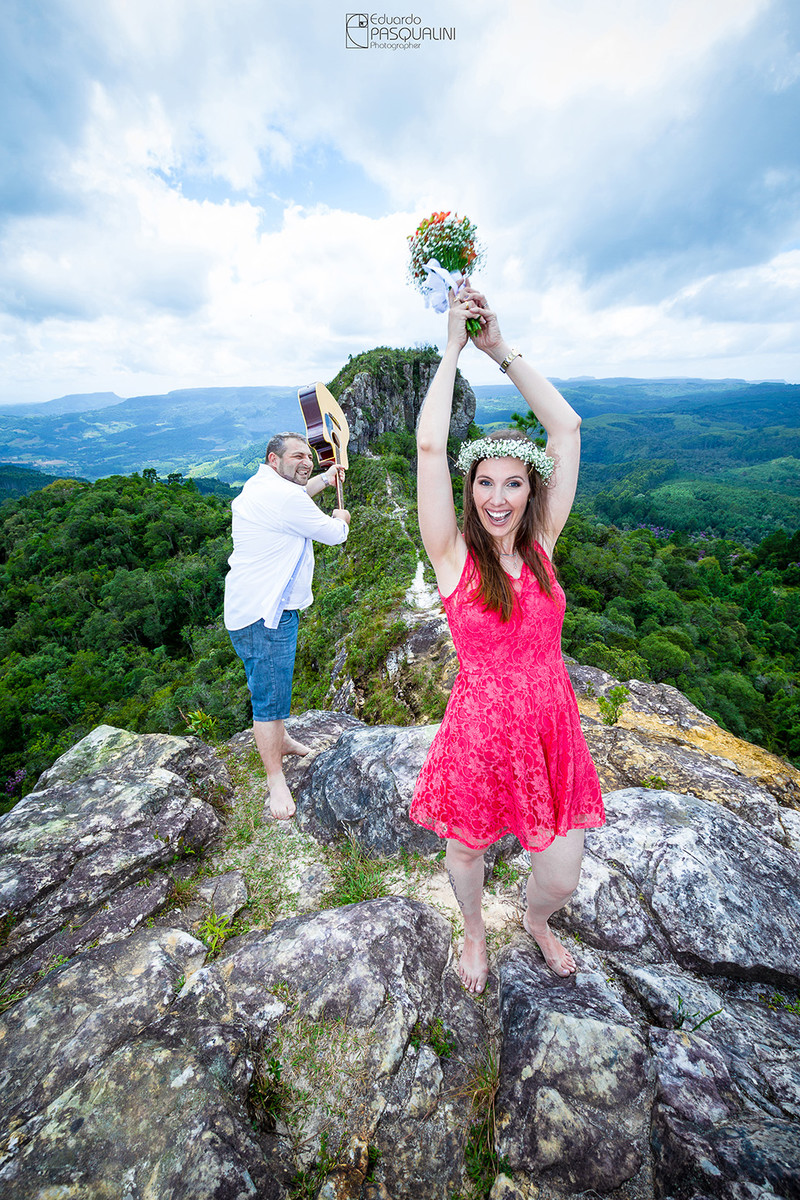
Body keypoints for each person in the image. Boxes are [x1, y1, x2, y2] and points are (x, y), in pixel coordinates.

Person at [409, 284, 605, 992]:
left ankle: (536, 920)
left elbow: (569, 428)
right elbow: (431, 444)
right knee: (466, 851)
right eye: (485, 483)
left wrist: (500, 351)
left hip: (550, 725)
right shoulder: (453, 555)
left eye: (513, 484)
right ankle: (472, 931)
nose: (497, 498)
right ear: (471, 491)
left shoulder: (546, 542)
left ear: (532, 491)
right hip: (481, 727)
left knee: (561, 873)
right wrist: (453, 349)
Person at [224, 432, 349, 820]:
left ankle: (284, 740)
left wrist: (325, 481)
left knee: (276, 689)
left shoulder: (262, 485)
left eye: (309, 456)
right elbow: (335, 535)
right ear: (273, 459)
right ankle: (275, 779)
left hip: (252, 610)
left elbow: (297, 497)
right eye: (297, 455)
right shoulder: (284, 498)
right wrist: (340, 517)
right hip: (267, 617)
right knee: (269, 700)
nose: (307, 461)